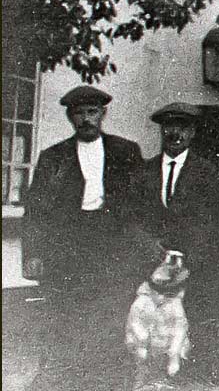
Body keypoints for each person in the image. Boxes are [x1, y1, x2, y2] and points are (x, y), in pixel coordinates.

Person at [23, 85, 144, 291]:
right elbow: (36, 209)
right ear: (70, 116)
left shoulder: (126, 152)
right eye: (79, 113)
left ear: (103, 113)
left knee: (111, 302)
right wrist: (33, 254)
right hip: (67, 245)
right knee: (67, 302)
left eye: (92, 112)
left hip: (113, 243)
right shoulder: (53, 157)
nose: (86, 119)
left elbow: (141, 203)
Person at [131, 102, 219, 300]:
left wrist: (185, 255)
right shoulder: (144, 171)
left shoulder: (208, 172)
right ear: (161, 130)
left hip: (193, 268)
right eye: (169, 127)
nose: (175, 133)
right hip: (149, 265)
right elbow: (132, 217)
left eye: (183, 128)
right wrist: (150, 247)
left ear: (192, 132)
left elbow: (212, 220)